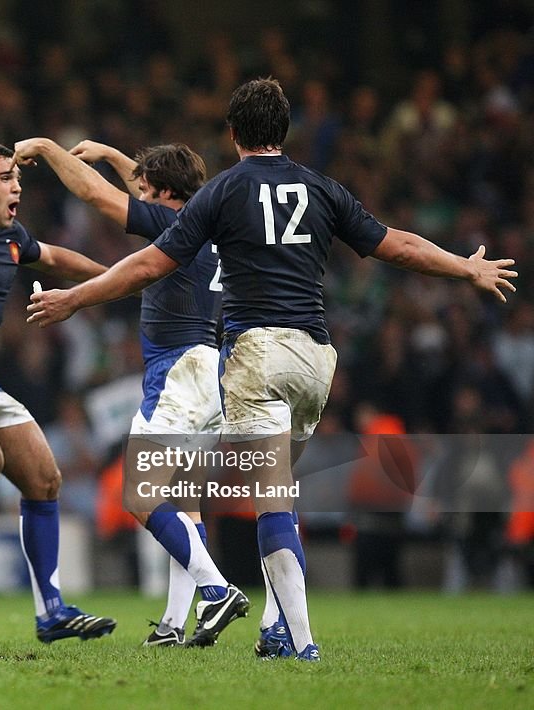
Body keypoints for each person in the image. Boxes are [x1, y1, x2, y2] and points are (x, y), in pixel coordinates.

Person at [27, 78, 517, 661]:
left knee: (259, 501)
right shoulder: (320, 187)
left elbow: (144, 265)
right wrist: (464, 267)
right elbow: (398, 245)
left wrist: (72, 299)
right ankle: (270, 625)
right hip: (315, 361)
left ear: (233, 134)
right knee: (269, 492)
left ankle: (297, 640)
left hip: (255, 356)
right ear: (284, 133)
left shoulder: (223, 194)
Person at [13, 136, 248, 647]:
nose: (137, 194)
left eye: (145, 188)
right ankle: (171, 626)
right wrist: (117, 156)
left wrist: (50, 151)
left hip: (178, 372)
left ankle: (218, 591)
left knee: (141, 494)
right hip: (210, 373)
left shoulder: (175, 224)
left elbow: (99, 198)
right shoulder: (209, 226)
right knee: (183, 504)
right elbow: (140, 189)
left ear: (164, 193)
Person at [0, 140, 116, 644]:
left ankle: (50, 611)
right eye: (6, 178)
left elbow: (54, 256)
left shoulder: (12, 236)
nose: (17, 187)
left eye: (18, 179)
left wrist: (115, 279)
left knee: (44, 478)